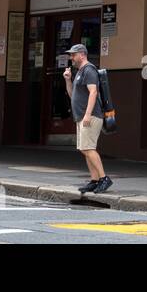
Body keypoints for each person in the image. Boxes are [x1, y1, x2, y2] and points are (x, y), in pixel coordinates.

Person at [63, 43, 111, 194]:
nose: (71, 57)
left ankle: (104, 179)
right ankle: (94, 180)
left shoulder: (89, 69)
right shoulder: (79, 72)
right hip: (82, 117)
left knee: (88, 148)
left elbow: (93, 92)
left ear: (82, 54)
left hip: (90, 116)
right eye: (71, 54)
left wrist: (88, 115)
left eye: (73, 54)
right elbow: (73, 95)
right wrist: (68, 80)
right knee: (85, 149)